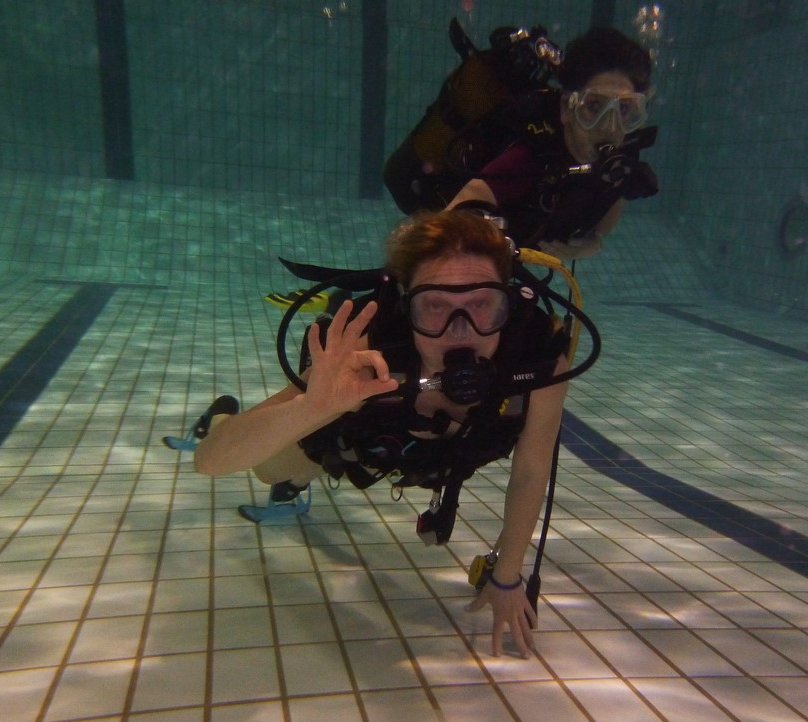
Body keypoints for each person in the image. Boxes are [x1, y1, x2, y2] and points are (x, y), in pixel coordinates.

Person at [176, 210, 572, 659]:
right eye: (435, 306)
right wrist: (312, 408)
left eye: (482, 304)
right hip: (359, 437)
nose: (460, 330)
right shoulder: (368, 349)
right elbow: (209, 463)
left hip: (442, 451)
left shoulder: (537, 354)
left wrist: (508, 576)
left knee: (301, 469)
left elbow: (531, 468)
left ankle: (302, 477)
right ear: (407, 305)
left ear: (508, 303)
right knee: (271, 471)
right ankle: (223, 416)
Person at [444, 26, 659, 261]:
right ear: (567, 108)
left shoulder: (622, 152)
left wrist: (593, 242)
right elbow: (453, 216)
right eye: (595, 106)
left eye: (624, 109)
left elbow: (614, 193)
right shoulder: (532, 154)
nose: (610, 126)